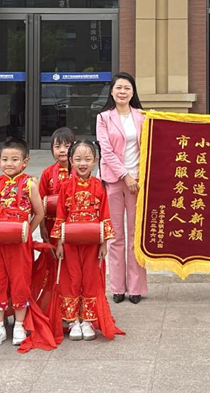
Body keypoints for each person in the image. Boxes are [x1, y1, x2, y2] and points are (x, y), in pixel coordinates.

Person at [53, 140, 123, 342]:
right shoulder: (65, 186)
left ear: (95, 161)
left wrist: (104, 243)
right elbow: (60, 215)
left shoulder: (99, 186)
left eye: (87, 159)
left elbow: (105, 215)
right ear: (71, 161)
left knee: (91, 278)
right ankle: (73, 320)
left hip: (93, 242)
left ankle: (88, 320)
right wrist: (59, 243)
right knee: (72, 278)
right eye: (78, 159)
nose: (82, 163)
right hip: (70, 242)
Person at [0, 138, 45, 347]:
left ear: (25, 162)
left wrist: (26, 232)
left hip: (20, 244)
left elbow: (39, 213)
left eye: (15, 159)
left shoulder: (30, 184)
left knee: (20, 280)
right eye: (5, 159)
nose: (9, 163)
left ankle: (19, 324)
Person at [96, 72, 148, 304]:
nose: (123, 92)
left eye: (127, 88)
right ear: (111, 91)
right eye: (119, 88)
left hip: (139, 182)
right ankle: (117, 287)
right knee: (115, 235)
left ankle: (136, 288)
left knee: (136, 235)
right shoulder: (103, 118)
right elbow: (106, 151)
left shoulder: (142, 117)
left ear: (133, 92)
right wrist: (125, 176)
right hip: (114, 181)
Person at [31, 126, 75, 310]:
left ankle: (70, 302)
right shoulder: (48, 173)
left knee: (71, 263)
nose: (62, 150)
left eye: (66, 146)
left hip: (74, 227)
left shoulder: (79, 171)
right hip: (52, 226)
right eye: (58, 146)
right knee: (53, 262)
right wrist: (42, 227)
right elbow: (40, 203)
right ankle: (52, 303)